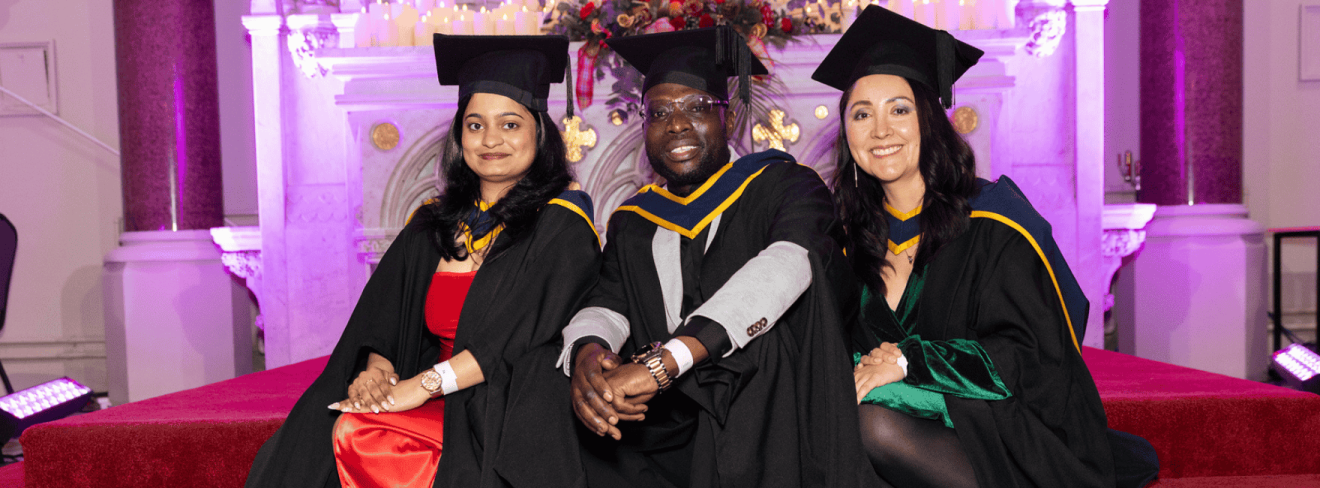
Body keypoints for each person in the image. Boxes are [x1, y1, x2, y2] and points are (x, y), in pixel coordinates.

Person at [812, 6, 1158, 488]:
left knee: (874, 422)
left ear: (929, 119)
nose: (881, 131)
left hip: (1001, 427)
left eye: (900, 109)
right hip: (907, 424)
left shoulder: (993, 220)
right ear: (847, 134)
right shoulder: (848, 241)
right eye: (862, 114)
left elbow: (1033, 355)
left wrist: (911, 361)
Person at [244, 34, 602, 488]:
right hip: (432, 399)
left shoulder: (563, 223)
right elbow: (386, 317)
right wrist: (377, 371)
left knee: (363, 436)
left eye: (510, 125)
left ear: (539, 130)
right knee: (319, 440)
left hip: (508, 407)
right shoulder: (433, 223)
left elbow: (518, 340)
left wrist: (417, 389)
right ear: (459, 135)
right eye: (475, 125)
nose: (491, 139)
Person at [555, 26, 881, 488]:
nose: (676, 124)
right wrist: (589, 356)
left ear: (729, 121)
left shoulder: (785, 186)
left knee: (763, 347)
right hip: (668, 420)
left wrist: (664, 363)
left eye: (697, 107)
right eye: (659, 112)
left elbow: (788, 264)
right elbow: (608, 298)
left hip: (770, 416)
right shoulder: (634, 220)